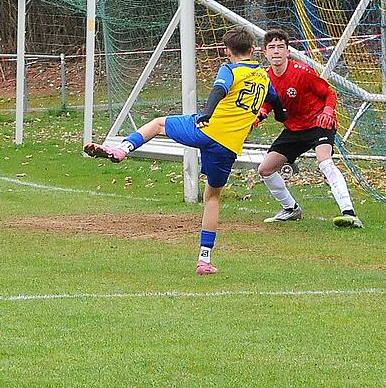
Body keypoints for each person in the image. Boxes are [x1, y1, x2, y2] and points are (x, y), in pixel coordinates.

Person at [84, 26, 286, 275]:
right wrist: (282, 116)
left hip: (207, 129)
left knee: (158, 124)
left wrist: (207, 114)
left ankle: (123, 149)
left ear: (227, 51)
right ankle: (204, 259)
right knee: (212, 198)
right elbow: (276, 102)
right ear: (253, 50)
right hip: (229, 147)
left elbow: (219, 90)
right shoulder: (264, 77)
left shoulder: (230, 68)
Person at [256, 28, 362, 228]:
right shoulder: (265, 77)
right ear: (265, 52)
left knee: (325, 162)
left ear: (288, 51)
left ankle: (349, 213)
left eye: (281, 47)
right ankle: (290, 209)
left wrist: (328, 112)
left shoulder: (302, 72)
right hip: (294, 129)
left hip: (318, 123)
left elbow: (329, 94)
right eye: (272, 47)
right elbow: (270, 102)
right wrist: (258, 116)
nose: (276, 51)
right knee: (265, 169)